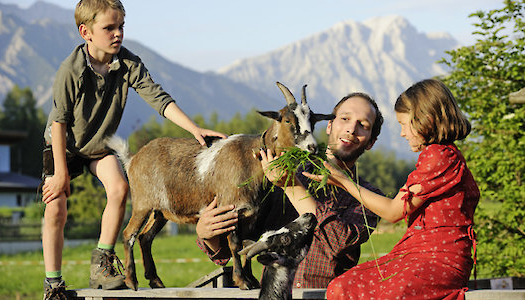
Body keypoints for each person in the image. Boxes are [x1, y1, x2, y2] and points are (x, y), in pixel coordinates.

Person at [40, 0, 226, 299]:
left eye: (121, 27)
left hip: (98, 144)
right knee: (55, 208)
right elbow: (60, 122)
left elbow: (158, 97)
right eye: (109, 28)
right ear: (85, 32)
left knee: (119, 188)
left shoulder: (128, 63)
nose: (118, 34)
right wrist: (61, 173)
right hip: (63, 143)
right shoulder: (70, 69)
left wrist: (194, 128)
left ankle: (102, 261)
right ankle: (53, 283)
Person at [308, 79, 479, 299]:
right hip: (417, 254)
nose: (402, 133)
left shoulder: (439, 156)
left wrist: (344, 181)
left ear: (425, 120)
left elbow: (394, 211)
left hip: (438, 257)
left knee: (390, 293)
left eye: (404, 124)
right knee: (343, 286)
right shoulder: (440, 155)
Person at [196, 92, 385, 288]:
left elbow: (337, 242)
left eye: (363, 125)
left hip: (324, 295)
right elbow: (242, 238)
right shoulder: (281, 172)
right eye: (344, 119)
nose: (351, 129)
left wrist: (291, 186)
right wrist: (207, 234)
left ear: (371, 141)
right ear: (329, 125)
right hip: (271, 293)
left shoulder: (369, 198)